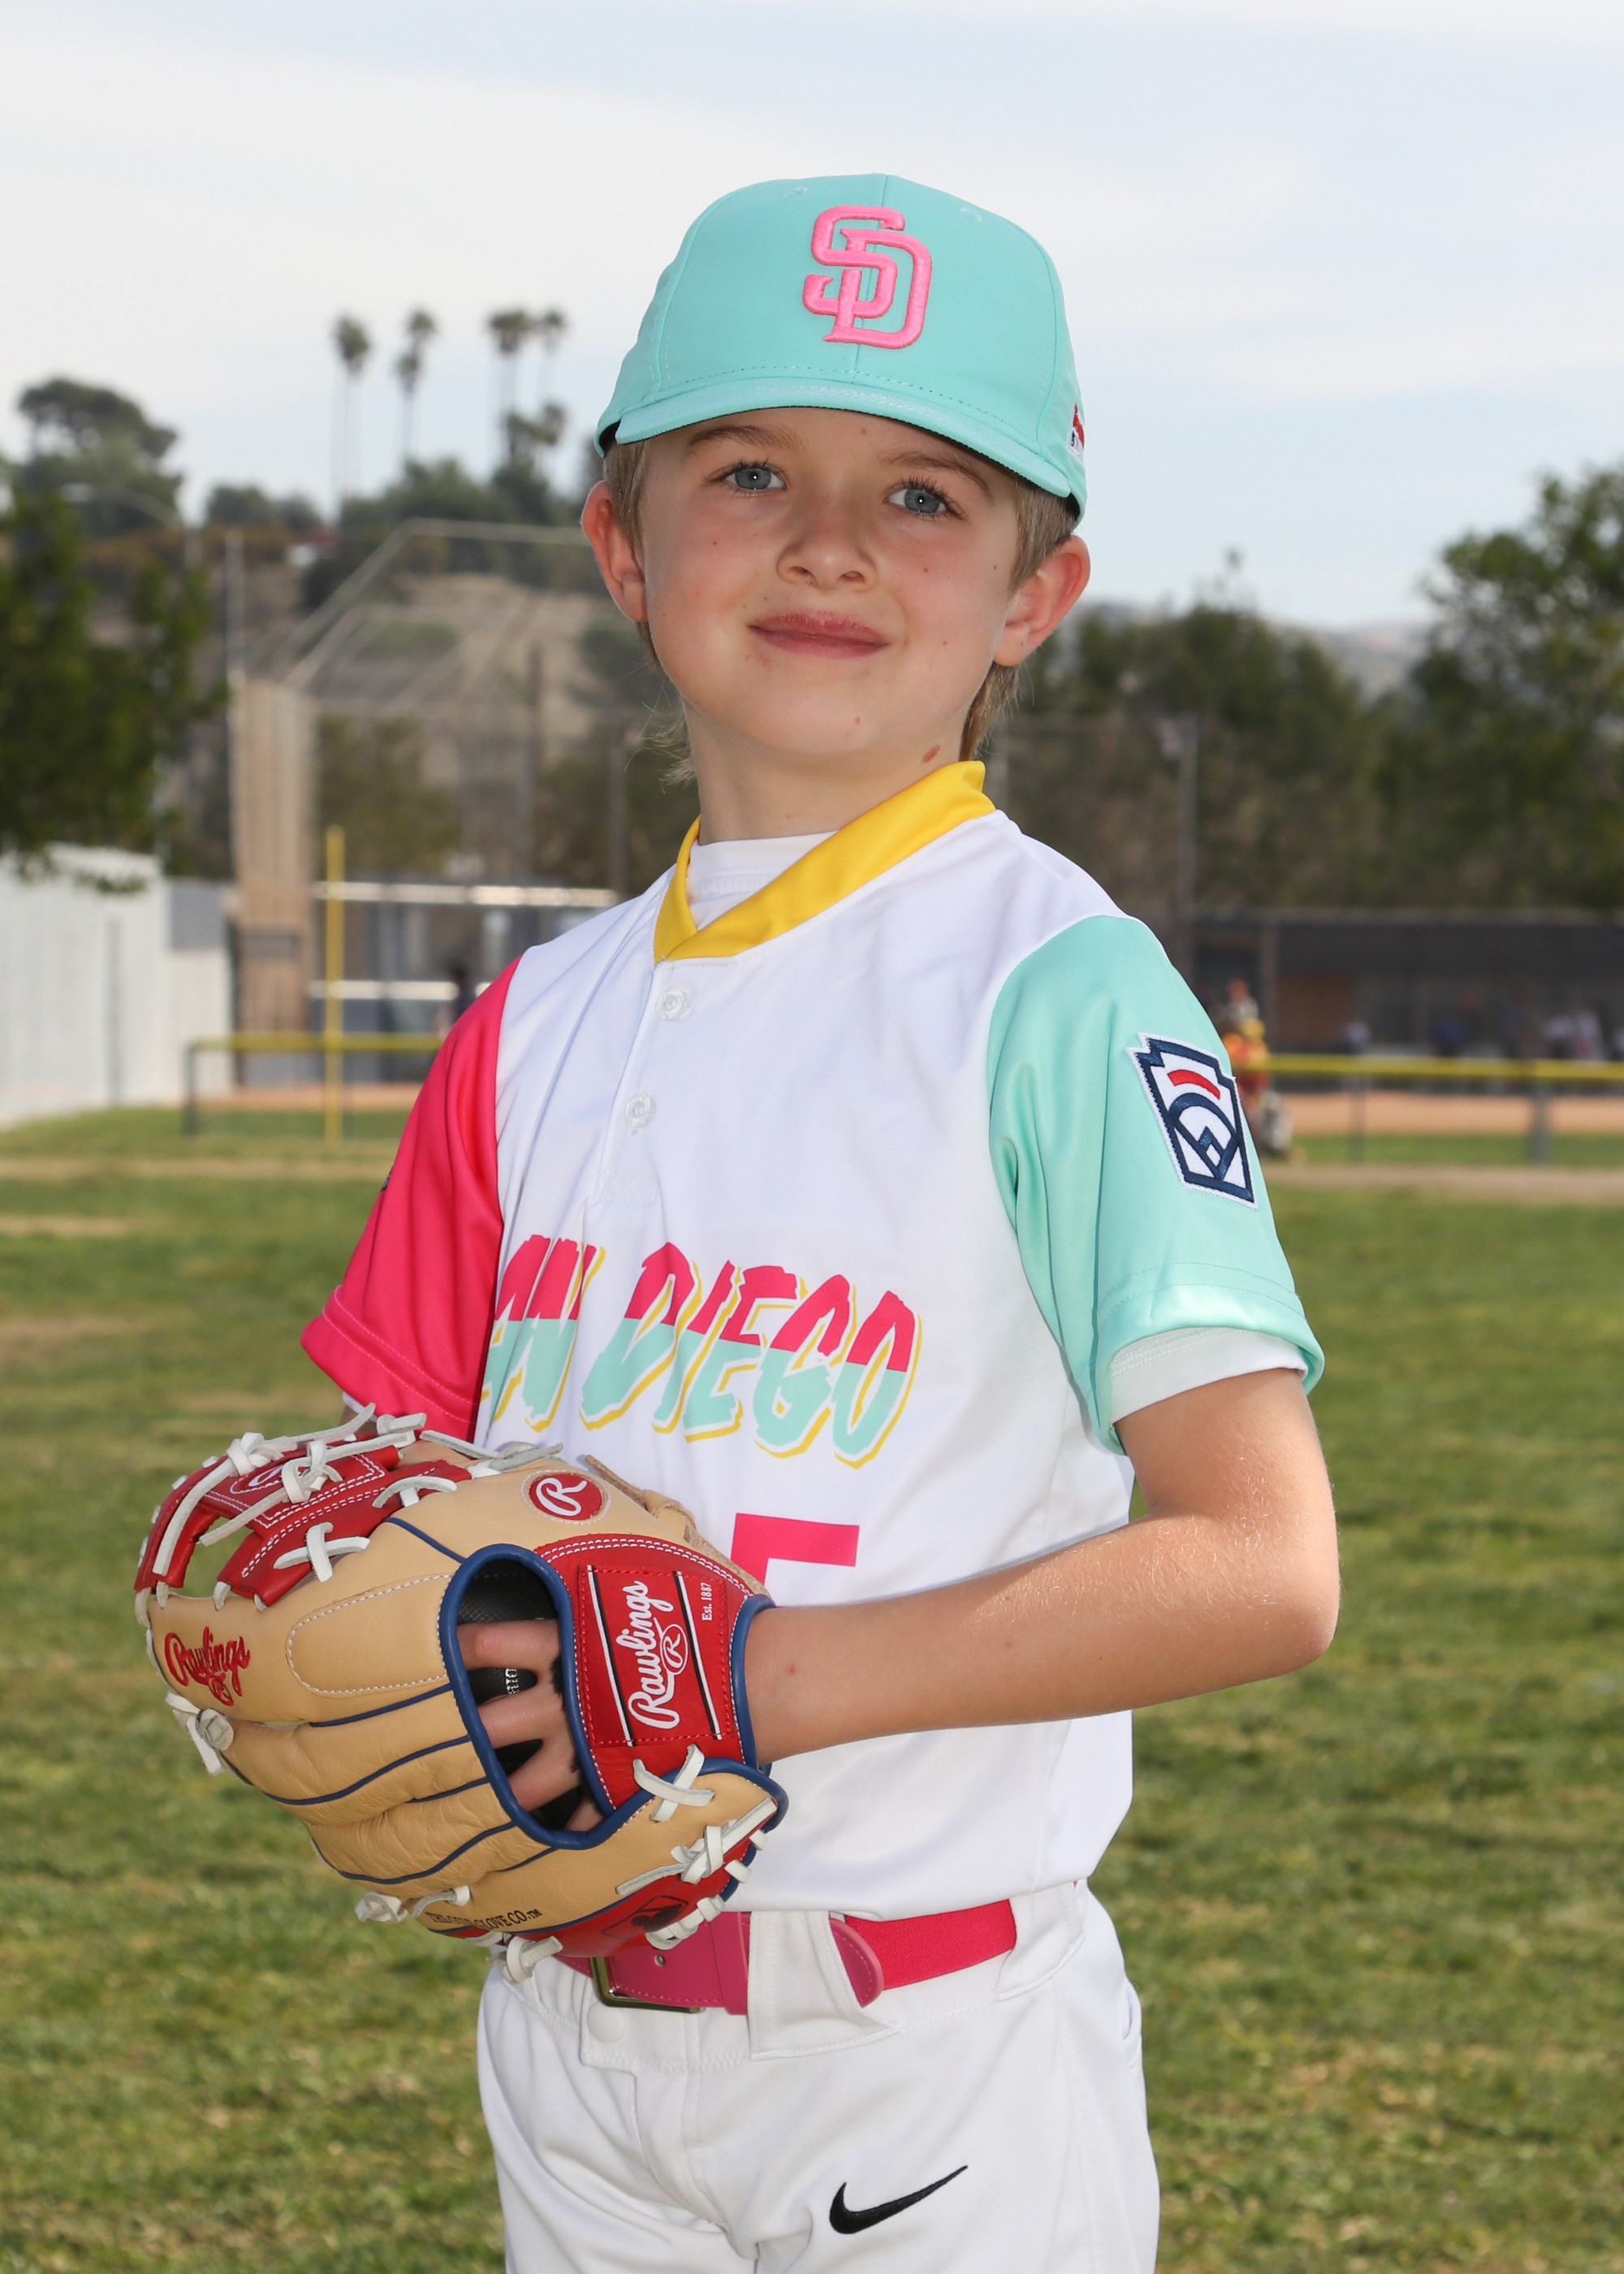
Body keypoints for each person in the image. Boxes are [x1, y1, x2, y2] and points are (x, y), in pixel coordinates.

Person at [302, 175, 1337, 2273]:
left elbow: (1264, 1563)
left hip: (929, 2048)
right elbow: (396, 1489)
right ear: (624, 545)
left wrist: (744, 1681)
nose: (832, 544)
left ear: (1037, 593)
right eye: (751, 472)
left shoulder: (1062, 991)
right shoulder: (527, 1026)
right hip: (572, 2028)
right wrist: (320, 1616)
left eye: (926, 495)